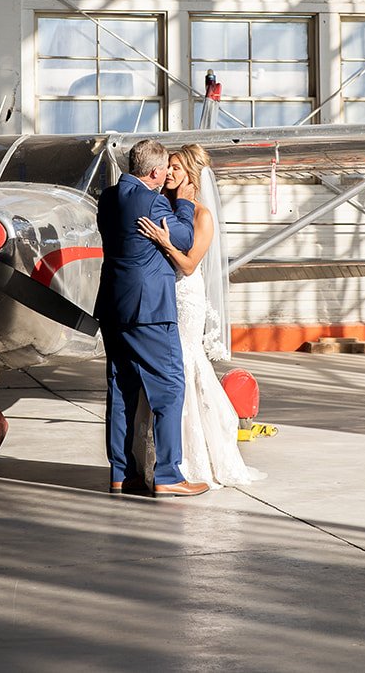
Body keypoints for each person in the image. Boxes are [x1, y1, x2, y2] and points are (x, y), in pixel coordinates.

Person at [136, 144, 264, 489]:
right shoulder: (166, 205)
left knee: (186, 365)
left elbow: (190, 264)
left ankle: (194, 461)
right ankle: (159, 460)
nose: (170, 172)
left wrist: (165, 242)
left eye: (176, 167)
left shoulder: (202, 216)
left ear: (191, 173)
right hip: (164, 296)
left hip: (187, 297)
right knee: (165, 369)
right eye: (168, 167)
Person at [94, 137, 210, 498]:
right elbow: (186, 237)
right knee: (170, 386)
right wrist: (186, 204)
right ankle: (168, 474)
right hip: (149, 310)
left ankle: (121, 473)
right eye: (166, 170)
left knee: (121, 389)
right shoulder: (153, 201)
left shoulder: (107, 198)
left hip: (113, 307)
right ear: (157, 172)